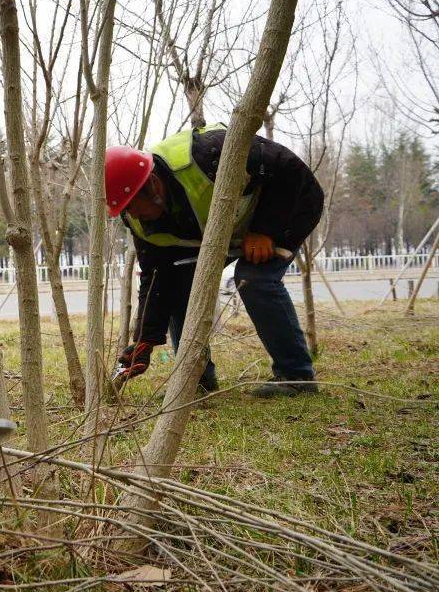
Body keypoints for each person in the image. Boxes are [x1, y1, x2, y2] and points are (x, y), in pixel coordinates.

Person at [107, 123, 324, 398]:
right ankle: (195, 379)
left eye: (132, 206)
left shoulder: (208, 154)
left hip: (287, 208)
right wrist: (145, 340)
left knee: (254, 279)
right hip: (224, 233)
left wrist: (265, 229)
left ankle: (297, 377)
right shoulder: (138, 220)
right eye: (124, 210)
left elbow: (290, 170)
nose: (133, 217)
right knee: (176, 283)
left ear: (151, 184)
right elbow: (157, 279)